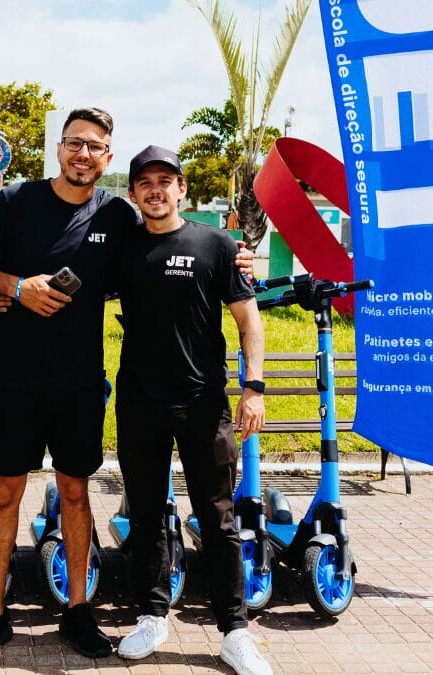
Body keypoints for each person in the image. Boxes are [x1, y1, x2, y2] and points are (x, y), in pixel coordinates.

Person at [0, 109, 253, 660]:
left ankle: (78, 610)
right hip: (16, 376)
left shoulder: (116, 215)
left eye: (95, 147)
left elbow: (172, 246)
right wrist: (15, 287)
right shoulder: (18, 199)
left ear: (107, 158)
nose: (83, 154)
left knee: (74, 491)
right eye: (74, 143)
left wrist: (236, 256)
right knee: (3, 496)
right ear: (60, 149)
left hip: (80, 381)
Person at [111, 146, 272, 675]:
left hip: (204, 402)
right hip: (139, 402)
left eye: (166, 181)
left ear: (182, 189)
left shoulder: (217, 244)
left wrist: (254, 387)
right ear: (133, 194)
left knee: (218, 517)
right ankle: (152, 615)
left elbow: (250, 322)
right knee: (148, 514)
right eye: (145, 183)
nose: (155, 190)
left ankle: (234, 630)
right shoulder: (122, 247)